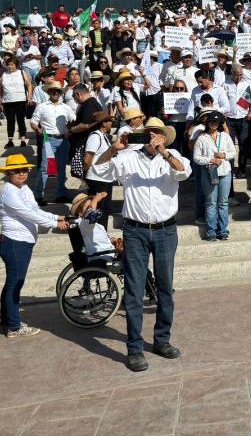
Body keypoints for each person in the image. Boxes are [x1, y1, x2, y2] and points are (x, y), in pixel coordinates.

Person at [92, 117, 190, 372]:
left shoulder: (172, 156)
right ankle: (134, 348)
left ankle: (162, 340)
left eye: (157, 134)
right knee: (134, 290)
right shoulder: (129, 157)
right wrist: (115, 148)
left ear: (165, 137)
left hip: (165, 230)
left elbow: (183, 172)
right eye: (148, 134)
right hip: (135, 230)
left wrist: (164, 153)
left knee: (165, 287)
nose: (152, 138)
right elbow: (97, 171)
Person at [0, 154, 68, 337]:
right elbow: (28, 214)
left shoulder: (24, 188)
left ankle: (7, 321)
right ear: (9, 173)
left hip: (22, 242)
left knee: (13, 283)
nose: (21, 173)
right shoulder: (8, 191)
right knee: (15, 283)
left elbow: (35, 210)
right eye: (17, 170)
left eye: (25, 170)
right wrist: (54, 224)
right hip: (14, 242)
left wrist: (55, 217)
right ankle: (13, 326)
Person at [192, 111, 236, 241]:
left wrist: (224, 156)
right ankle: (211, 231)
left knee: (223, 202)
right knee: (211, 202)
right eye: (211, 121)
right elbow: (196, 158)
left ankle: (223, 230)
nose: (214, 123)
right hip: (209, 172)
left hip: (225, 171)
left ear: (220, 123)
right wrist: (210, 160)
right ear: (207, 123)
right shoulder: (201, 137)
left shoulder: (225, 136)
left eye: (216, 122)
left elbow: (233, 152)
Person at [30, 81, 75, 206]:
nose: (55, 93)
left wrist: (70, 130)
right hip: (48, 139)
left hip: (63, 140)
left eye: (57, 91)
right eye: (53, 91)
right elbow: (34, 121)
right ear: (49, 92)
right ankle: (38, 195)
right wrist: (38, 129)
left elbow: (74, 120)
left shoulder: (66, 107)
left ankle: (61, 194)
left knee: (61, 168)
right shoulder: (42, 106)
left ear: (60, 93)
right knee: (45, 168)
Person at [83, 111, 116, 226]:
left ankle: (102, 236)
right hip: (96, 178)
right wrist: (88, 174)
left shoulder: (104, 136)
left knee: (104, 211)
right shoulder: (95, 136)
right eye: (109, 121)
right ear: (103, 123)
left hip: (105, 178)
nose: (112, 122)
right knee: (97, 211)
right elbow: (88, 158)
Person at [0, 58, 33, 148]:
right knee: (10, 121)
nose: (9, 66)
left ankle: (23, 140)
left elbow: (29, 84)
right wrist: (1, 101)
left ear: (16, 65)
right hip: (7, 100)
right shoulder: (4, 74)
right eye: (8, 64)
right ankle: (10, 140)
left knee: (21, 120)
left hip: (20, 99)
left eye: (11, 64)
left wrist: (29, 96)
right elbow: (1, 89)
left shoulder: (21, 73)